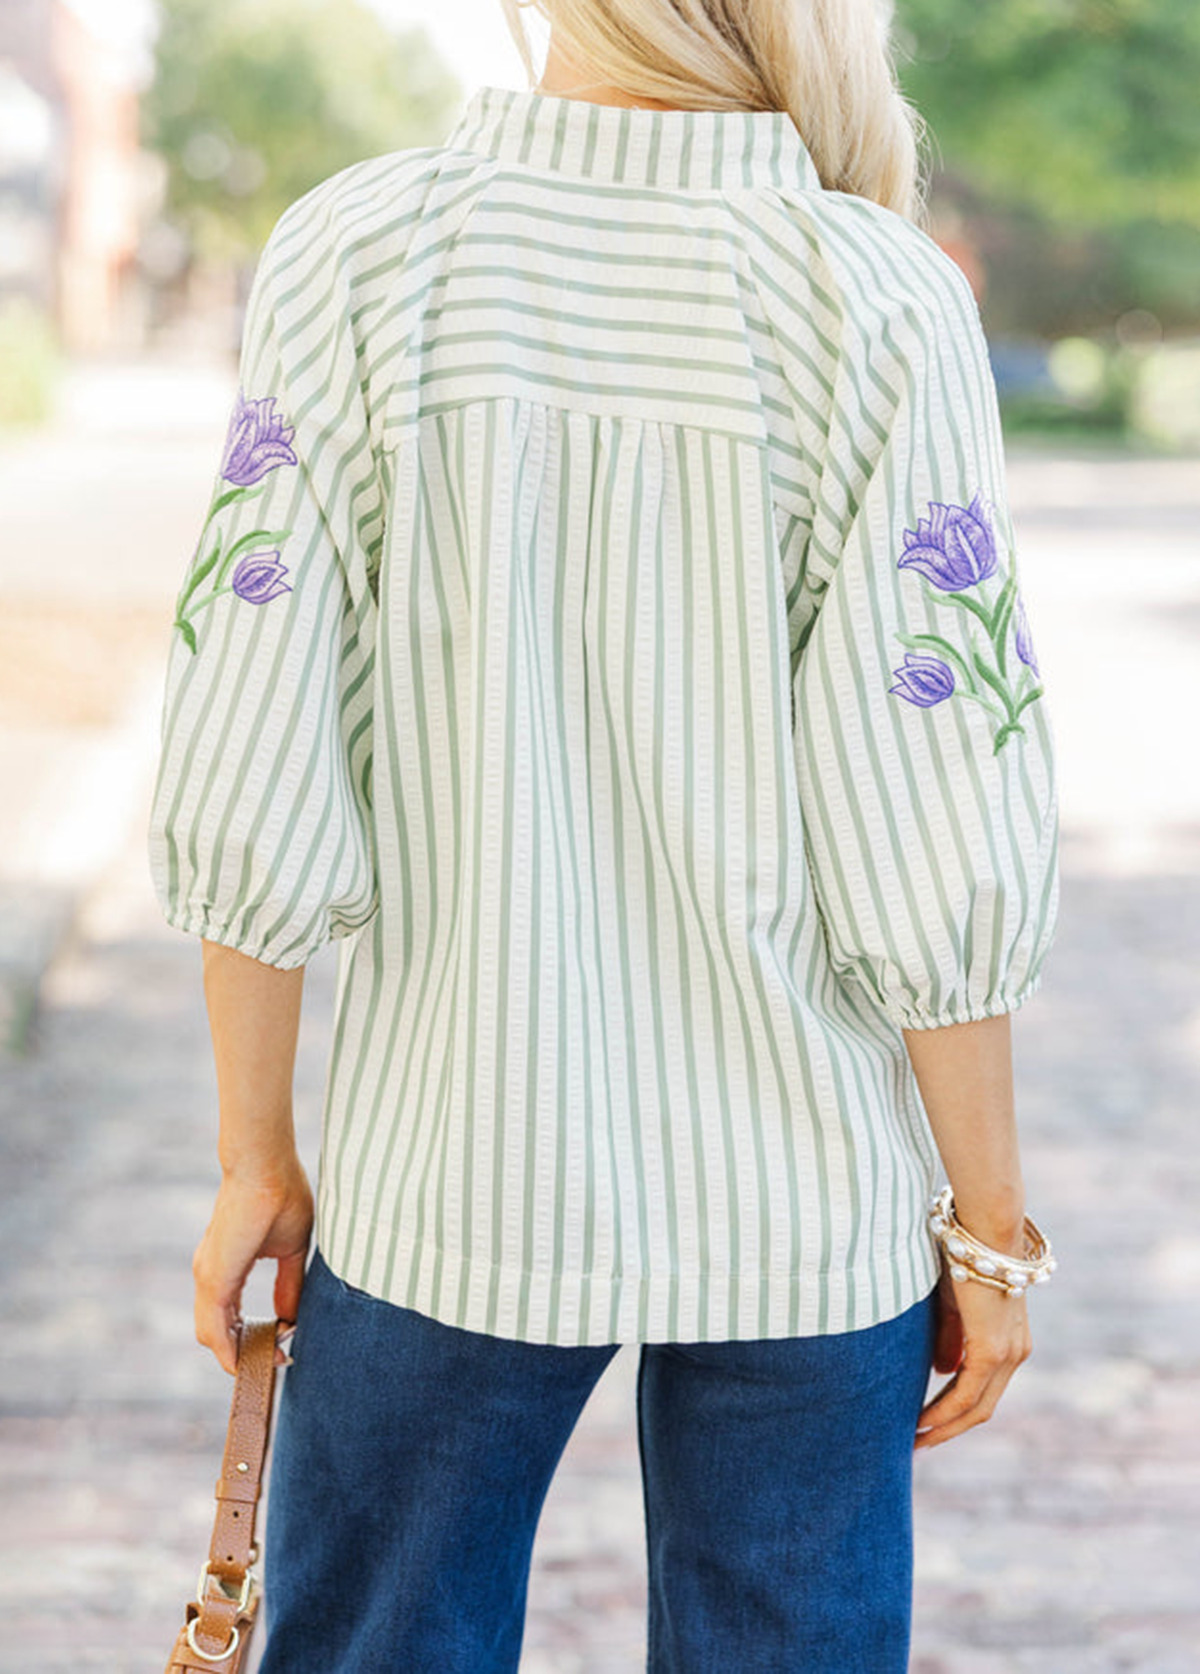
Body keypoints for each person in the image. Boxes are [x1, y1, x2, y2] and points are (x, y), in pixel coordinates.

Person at [147, 0, 1061, 1666]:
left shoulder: (357, 256)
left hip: (443, 1171)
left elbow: (249, 742)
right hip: (806, 1200)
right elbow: (938, 805)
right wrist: (989, 1230)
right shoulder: (875, 296)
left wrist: (253, 1158)